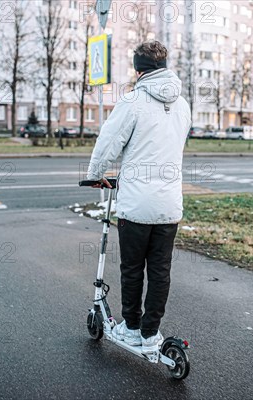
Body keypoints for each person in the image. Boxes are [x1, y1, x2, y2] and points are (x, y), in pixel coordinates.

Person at [85, 40, 191, 353]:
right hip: (169, 205)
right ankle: (150, 332)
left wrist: (95, 175)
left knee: (133, 269)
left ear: (138, 69)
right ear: (164, 66)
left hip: (136, 205)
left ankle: (131, 327)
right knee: (160, 272)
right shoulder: (183, 105)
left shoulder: (132, 102)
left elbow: (109, 143)